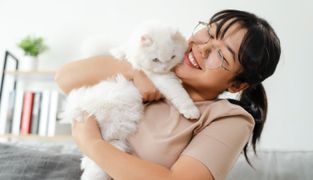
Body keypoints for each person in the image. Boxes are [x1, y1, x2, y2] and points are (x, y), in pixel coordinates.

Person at [55, 9, 281, 180]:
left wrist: (92, 144)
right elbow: (64, 79)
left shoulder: (229, 119)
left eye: (222, 54)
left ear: (237, 85)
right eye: (209, 32)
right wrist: (133, 71)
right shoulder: (152, 63)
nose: (203, 48)